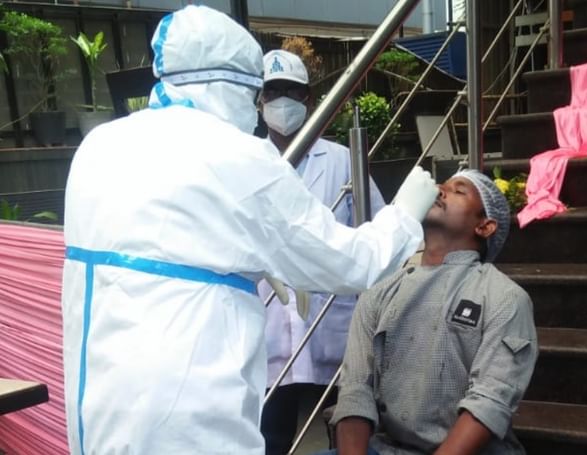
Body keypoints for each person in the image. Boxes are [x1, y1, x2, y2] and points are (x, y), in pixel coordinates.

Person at [60, 6, 439, 455]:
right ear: (238, 88)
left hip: (99, 400)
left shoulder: (100, 145)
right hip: (185, 406)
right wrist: (404, 216)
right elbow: (351, 263)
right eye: (259, 93)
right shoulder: (238, 156)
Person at [326, 170, 538, 455]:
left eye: (458, 190)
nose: (438, 190)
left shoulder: (504, 297)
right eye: (441, 185)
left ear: (485, 226)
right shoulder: (378, 292)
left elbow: (489, 401)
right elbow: (355, 390)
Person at [258, 49, 387, 455]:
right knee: (271, 436)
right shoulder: (248, 163)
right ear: (259, 100)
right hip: (269, 327)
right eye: (272, 91)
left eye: (291, 91)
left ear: (309, 99)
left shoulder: (342, 160)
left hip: (333, 324)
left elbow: (373, 229)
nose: (281, 101)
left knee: (344, 428)